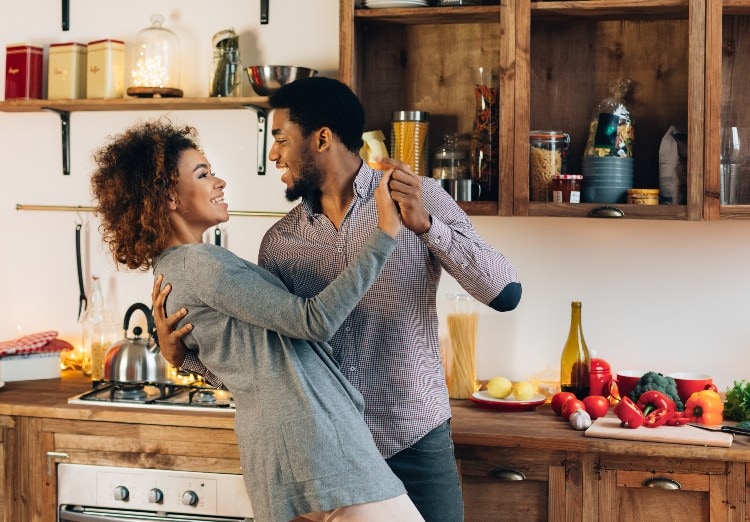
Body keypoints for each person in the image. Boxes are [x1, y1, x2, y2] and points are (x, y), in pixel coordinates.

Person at [154, 77, 522, 521]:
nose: (273, 155)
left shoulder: (418, 197)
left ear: (322, 138)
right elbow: (274, 369)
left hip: (415, 438)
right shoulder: (280, 244)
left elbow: (504, 292)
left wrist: (427, 226)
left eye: (281, 140)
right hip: (329, 457)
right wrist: (185, 359)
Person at [91, 119, 425, 522]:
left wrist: (182, 359)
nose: (220, 182)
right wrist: (385, 231)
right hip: (319, 450)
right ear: (168, 198)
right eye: (203, 174)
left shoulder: (174, 270)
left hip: (284, 455)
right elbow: (314, 321)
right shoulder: (202, 265)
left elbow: (247, 364)